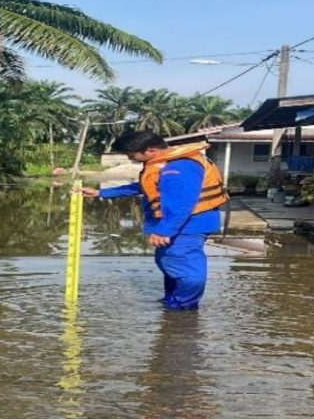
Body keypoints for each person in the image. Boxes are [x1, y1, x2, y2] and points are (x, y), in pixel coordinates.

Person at [83, 131, 228, 310]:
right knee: (170, 263)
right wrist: (102, 193)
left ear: (150, 150)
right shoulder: (166, 163)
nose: (131, 159)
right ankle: (171, 303)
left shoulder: (180, 166)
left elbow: (182, 204)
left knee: (184, 267)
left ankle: (183, 312)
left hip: (187, 225)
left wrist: (164, 230)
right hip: (179, 224)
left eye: (132, 155)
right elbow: (145, 185)